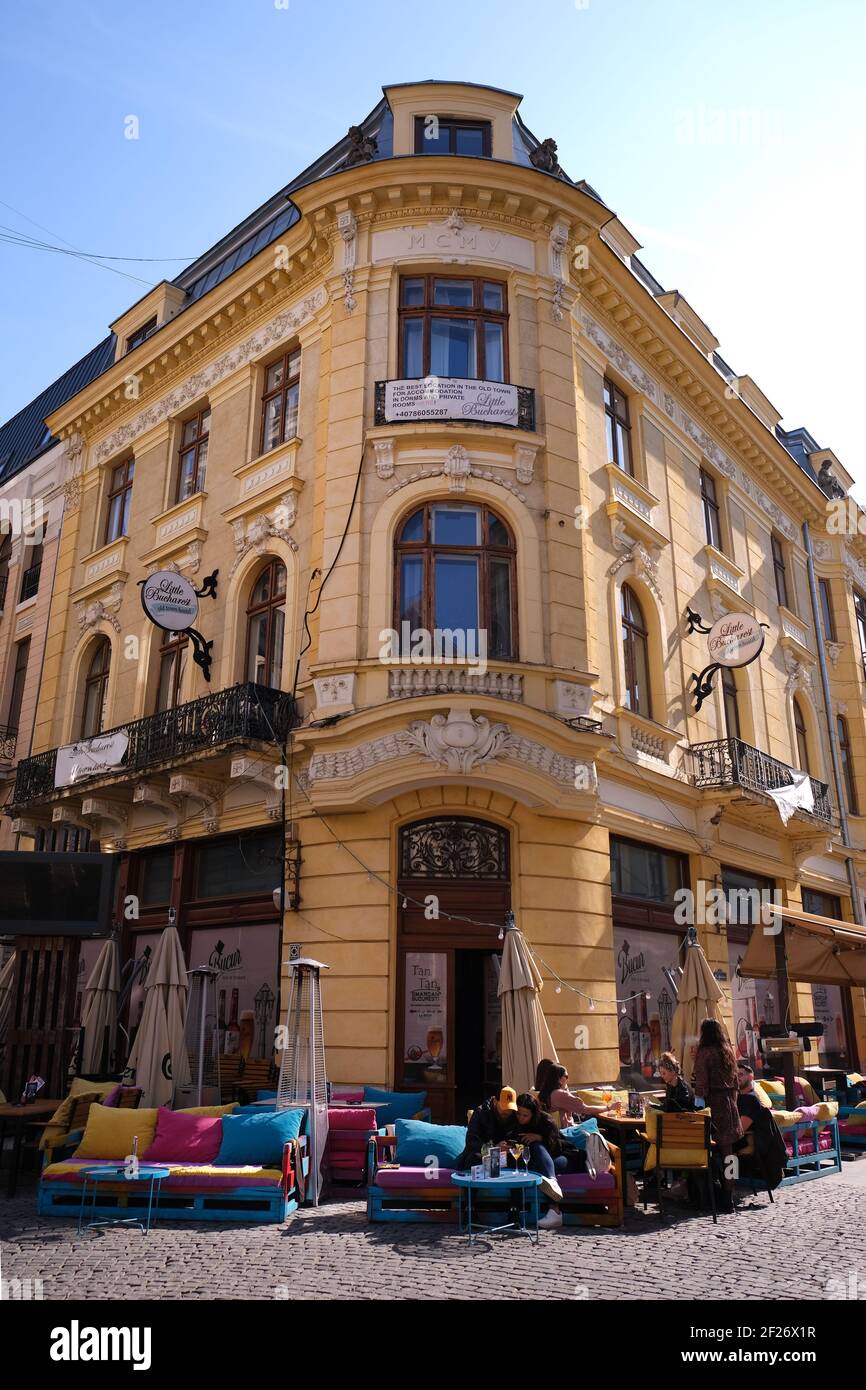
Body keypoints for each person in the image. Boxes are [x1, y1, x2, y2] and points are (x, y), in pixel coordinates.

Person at [514, 1092, 589, 1230]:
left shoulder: (546, 1121)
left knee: (537, 1147)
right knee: (536, 1167)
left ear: (533, 1113)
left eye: (525, 1115)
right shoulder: (514, 1122)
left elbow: (558, 1146)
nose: (520, 1118)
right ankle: (553, 1212)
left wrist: (540, 1137)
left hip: (564, 1157)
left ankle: (554, 1203)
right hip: (539, 1163)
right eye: (518, 1114)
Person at [692, 1018, 743, 1214]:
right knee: (729, 1152)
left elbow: (701, 1083)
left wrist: (698, 1104)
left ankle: (708, 1194)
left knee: (707, 1148)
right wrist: (733, 1101)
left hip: (714, 1103)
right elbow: (736, 1081)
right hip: (730, 1102)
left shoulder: (705, 1053)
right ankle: (729, 1193)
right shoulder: (728, 1051)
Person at [733, 1061, 788, 1191]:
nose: (737, 1078)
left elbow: (740, 1129)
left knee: (720, 1150)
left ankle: (728, 1186)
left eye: (741, 1074)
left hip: (745, 1140)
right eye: (735, 1075)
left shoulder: (751, 1099)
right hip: (738, 1138)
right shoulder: (738, 1097)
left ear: (751, 1077)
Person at [455, 1085, 519, 1170]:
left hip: (506, 1156)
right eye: (504, 1107)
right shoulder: (481, 1113)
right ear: (495, 1101)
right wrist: (493, 1148)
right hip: (482, 1156)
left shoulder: (515, 1115)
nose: (507, 1111)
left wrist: (510, 1146)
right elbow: (471, 1141)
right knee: (473, 1160)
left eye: (510, 1108)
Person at [537, 1063, 616, 1125]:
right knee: (599, 1121)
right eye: (566, 1076)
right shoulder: (559, 1094)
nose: (568, 1079)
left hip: (557, 1131)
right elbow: (585, 1109)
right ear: (559, 1079)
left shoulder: (545, 1093)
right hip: (568, 1132)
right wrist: (609, 1107)